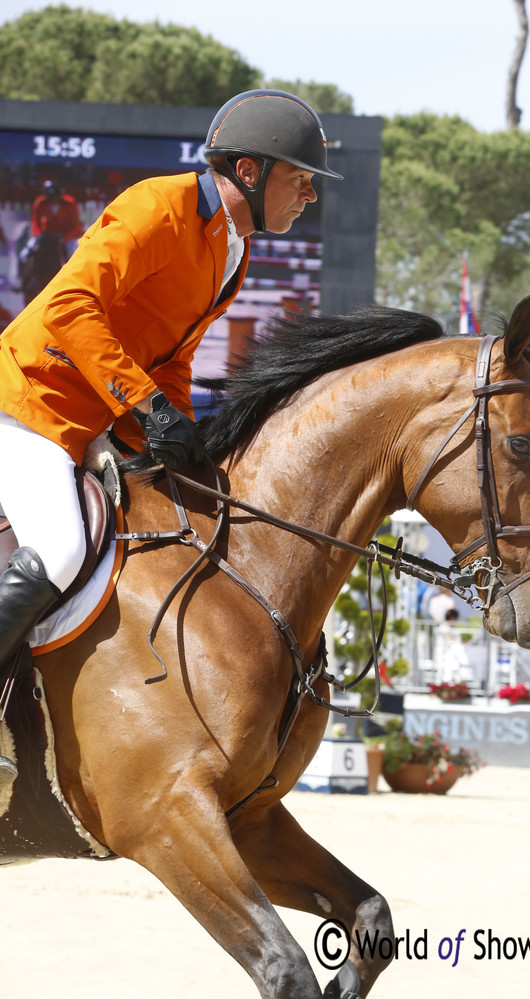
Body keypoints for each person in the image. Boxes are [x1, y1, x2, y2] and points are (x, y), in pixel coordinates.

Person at [0, 89, 343, 786]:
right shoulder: (159, 205)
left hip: (94, 416)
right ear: (249, 170)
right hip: (31, 400)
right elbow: (69, 307)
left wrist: (174, 428)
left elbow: (173, 355)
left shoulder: (232, 250)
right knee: (63, 545)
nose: (308, 194)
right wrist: (146, 404)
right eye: (299, 177)